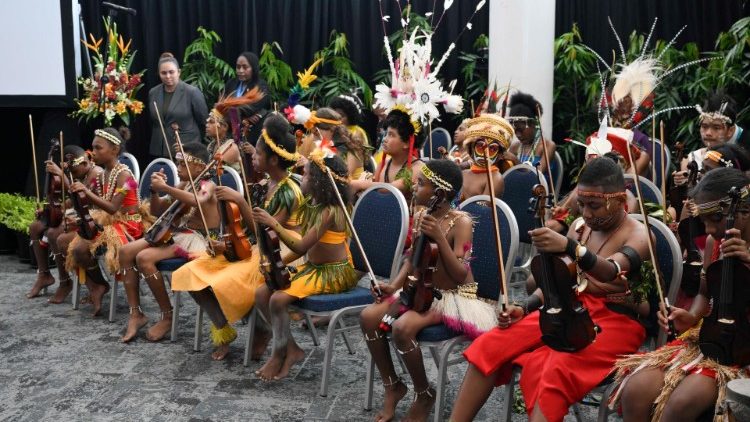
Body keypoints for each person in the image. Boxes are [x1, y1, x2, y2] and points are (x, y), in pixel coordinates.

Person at [450, 157, 651, 422]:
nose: (587, 214)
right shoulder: (582, 228)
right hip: (568, 309)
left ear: (619, 200)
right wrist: (524, 307)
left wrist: (569, 247)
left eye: (595, 206)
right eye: (582, 205)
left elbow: (612, 270)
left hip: (618, 323)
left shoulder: (639, 233)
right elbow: (559, 280)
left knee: (552, 367)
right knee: (491, 342)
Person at [359, 159, 497, 422]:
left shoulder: (462, 222)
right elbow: (412, 258)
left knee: (402, 328)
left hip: (453, 295)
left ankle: (424, 393)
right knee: (368, 317)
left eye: (420, 183)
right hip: (422, 288)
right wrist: (393, 285)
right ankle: (393, 386)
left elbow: (459, 274)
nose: (415, 187)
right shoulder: (424, 214)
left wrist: (441, 238)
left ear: (440, 193)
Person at [612, 167, 750, 422]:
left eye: (715, 219)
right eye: (703, 220)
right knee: (636, 389)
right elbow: (704, 293)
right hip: (714, 335)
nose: (708, 229)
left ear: (742, 210)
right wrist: (691, 315)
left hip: (745, 349)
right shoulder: (714, 243)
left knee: (682, 402)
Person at [171, 114, 304, 360]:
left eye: (258, 154)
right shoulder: (268, 184)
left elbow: (267, 232)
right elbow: (251, 233)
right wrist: (228, 244)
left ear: (274, 160)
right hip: (261, 247)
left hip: (285, 252)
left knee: (228, 280)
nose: (252, 156)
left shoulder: (289, 191)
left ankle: (263, 330)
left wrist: (240, 200)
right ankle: (224, 328)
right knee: (191, 271)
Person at [250, 151, 358, 381]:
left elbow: (300, 247)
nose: (302, 177)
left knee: (278, 299)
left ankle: (278, 354)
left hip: (334, 272)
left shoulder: (331, 211)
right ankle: (291, 349)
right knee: (262, 292)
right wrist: (276, 264)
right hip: (314, 268)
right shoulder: (313, 204)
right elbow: (304, 252)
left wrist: (272, 224)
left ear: (320, 181)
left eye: (307, 174)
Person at [118, 142, 219, 343]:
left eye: (182, 164)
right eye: (178, 163)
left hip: (198, 240)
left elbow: (198, 200)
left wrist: (166, 187)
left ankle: (167, 315)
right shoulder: (184, 184)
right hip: (176, 233)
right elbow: (157, 210)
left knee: (144, 258)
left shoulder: (209, 185)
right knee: (125, 252)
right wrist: (155, 191)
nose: (178, 168)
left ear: (199, 167)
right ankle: (136, 313)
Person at [65, 128, 146, 316]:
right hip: (110, 221)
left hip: (128, 225)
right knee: (66, 242)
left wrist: (87, 193)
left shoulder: (125, 176)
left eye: (98, 148)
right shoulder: (102, 175)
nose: (93, 152)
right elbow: (98, 207)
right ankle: (97, 285)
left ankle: (100, 286)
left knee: (80, 248)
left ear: (115, 150)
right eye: (93, 147)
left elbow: (112, 208)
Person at [27, 146, 103, 302]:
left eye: (74, 172)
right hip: (78, 214)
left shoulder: (97, 173)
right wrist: (54, 209)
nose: (72, 175)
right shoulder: (81, 172)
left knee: (53, 233)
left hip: (93, 218)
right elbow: (71, 200)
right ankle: (44, 274)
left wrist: (63, 177)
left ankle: (65, 281)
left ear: (85, 163)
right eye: (70, 173)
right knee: (35, 226)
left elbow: (83, 198)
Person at [349, 107, 424, 201]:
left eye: (391, 135)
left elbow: (393, 188)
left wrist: (358, 184)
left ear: (407, 143)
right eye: (386, 134)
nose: (384, 139)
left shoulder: (417, 168)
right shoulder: (383, 164)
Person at [674, 92, 748, 185]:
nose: (708, 133)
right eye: (704, 126)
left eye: (716, 127)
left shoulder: (743, 158)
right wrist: (682, 184)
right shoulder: (690, 160)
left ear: (730, 131)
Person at [148, 52, 209, 160]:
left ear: (179, 72)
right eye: (163, 73)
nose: (168, 76)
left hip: (186, 150)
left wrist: (191, 143)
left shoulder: (192, 92)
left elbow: (204, 122)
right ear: (159, 73)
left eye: (171, 72)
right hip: (160, 150)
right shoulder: (153, 92)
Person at [459, 113, 511, 201]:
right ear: (471, 148)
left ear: (500, 155)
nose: (485, 153)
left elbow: (482, 211)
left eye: (493, 149)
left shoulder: (495, 178)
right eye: (480, 146)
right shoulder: (463, 174)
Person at [223, 52, 271, 144]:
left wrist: (236, 112)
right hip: (230, 132)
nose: (240, 70)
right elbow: (223, 106)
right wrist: (246, 118)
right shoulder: (231, 83)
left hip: (252, 134)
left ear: (253, 68)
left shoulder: (260, 86)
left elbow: (252, 108)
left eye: (245, 67)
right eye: (238, 67)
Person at [507, 92, 557, 178]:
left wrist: (516, 161)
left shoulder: (547, 146)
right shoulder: (515, 147)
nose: (518, 135)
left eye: (521, 130)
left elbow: (536, 176)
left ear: (533, 124)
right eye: (515, 130)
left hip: (538, 190)